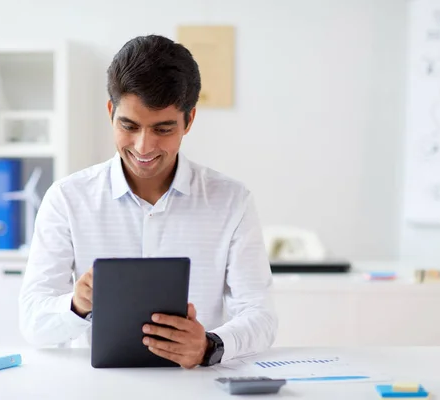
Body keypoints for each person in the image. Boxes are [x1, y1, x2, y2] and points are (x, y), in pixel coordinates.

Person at [19, 34, 277, 369]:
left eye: (163, 129)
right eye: (129, 126)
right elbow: (32, 322)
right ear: (111, 112)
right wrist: (77, 305)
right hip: (98, 388)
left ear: (189, 121)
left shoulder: (232, 201)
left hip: (195, 385)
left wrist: (209, 346)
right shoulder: (67, 199)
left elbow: (261, 316)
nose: (143, 147)